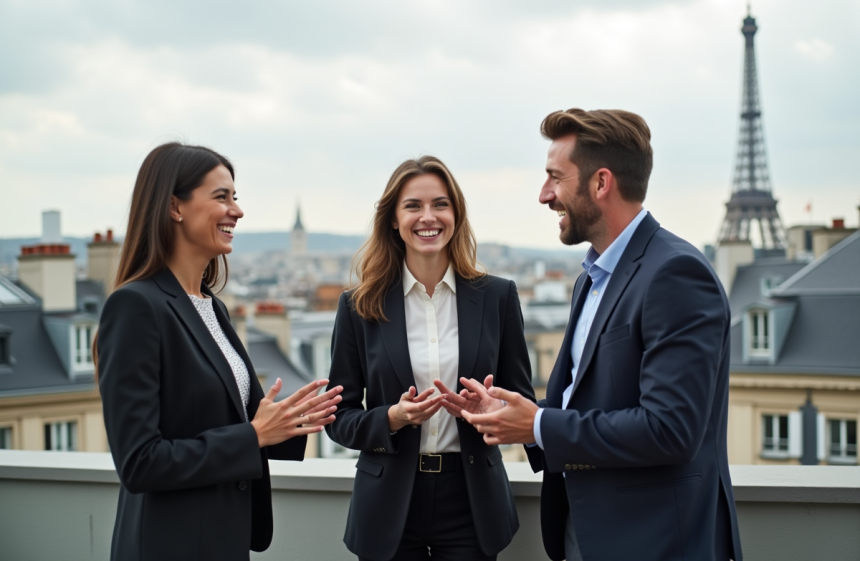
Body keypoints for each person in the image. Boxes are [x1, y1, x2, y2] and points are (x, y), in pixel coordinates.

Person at [456, 109, 743, 561]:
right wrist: (520, 417)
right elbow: (595, 405)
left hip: (655, 542)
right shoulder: (591, 278)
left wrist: (537, 424)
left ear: (601, 183)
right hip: (587, 534)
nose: (544, 195)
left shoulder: (675, 273)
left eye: (555, 177)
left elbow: (670, 429)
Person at [97, 142, 343, 561]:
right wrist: (254, 435)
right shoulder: (137, 306)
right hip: (168, 546)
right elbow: (139, 462)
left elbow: (237, 421)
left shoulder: (213, 308)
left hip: (222, 540)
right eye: (222, 197)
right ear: (175, 206)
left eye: (236, 197)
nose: (237, 210)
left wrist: (296, 421)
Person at [325, 156, 535, 561]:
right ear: (393, 219)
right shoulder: (358, 307)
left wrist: (493, 410)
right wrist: (392, 418)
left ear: (456, 214)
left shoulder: (498, 297)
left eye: (440, 204)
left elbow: (521, 402)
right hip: (388, 503)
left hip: (471, 500)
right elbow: (340, 418)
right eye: (413, 206)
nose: (428, 217)